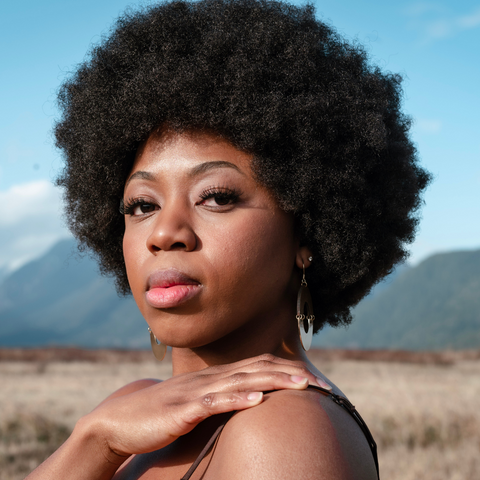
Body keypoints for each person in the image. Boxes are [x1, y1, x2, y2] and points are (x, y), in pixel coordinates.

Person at [27, 0, 430, 478]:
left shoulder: (282, 431)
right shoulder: (128, 410)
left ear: (308, 231)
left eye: (215, 197)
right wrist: (92, 441)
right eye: (142, 205)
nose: (163, 233)